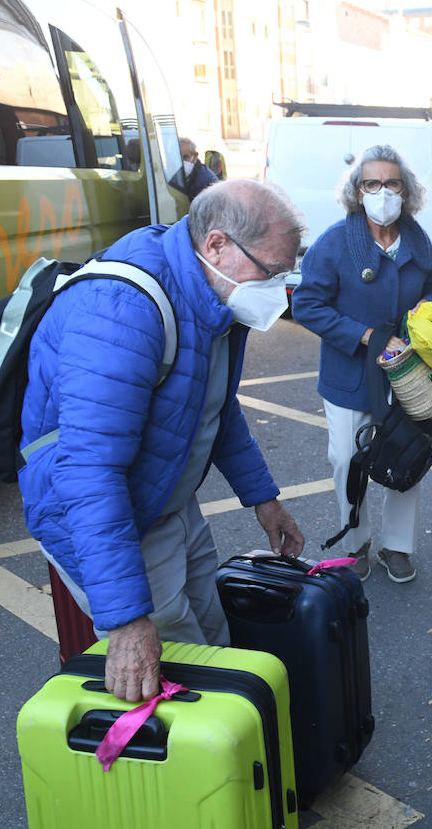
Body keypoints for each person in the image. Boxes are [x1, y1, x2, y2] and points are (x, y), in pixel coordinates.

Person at [19, 180, 307, 702]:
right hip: (115, 516)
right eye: (271, 272)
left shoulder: (212, 290)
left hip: (164, 496)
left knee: (217, 645)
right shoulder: (122, 309)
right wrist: (127, 620)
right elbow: (88, 472)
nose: (278, 288)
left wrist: (263, 499)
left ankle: (247, 761)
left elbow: (213, 405)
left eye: (286, 274)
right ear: (217, 244)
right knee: (187, 681)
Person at [291, 144, 432, 585]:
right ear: (358, 191)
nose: (383, 191)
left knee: (409, 453)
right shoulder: (335, 241)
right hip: (350, 374)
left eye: (392, 183)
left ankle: (397, 547)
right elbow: (306, 304)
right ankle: (354, 543)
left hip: (407, 374)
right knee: (345, 458)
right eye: (372, 183)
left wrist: (425, 314)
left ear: (406, 189)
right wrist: (364, 336)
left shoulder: (417, 238)